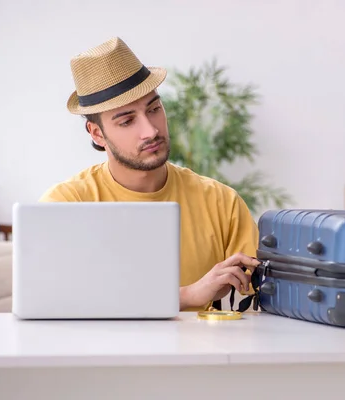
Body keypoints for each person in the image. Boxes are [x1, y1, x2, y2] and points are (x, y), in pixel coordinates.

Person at [39, 36, 260, 311]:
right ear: (97, 134)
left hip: (203, 354)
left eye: (154, 109)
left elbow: (258, 304)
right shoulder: (66, 204)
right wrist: (186, 296)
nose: (151, 130)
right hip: (101, 352)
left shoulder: (221, 202)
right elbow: (55, 300)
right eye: (127, 121)